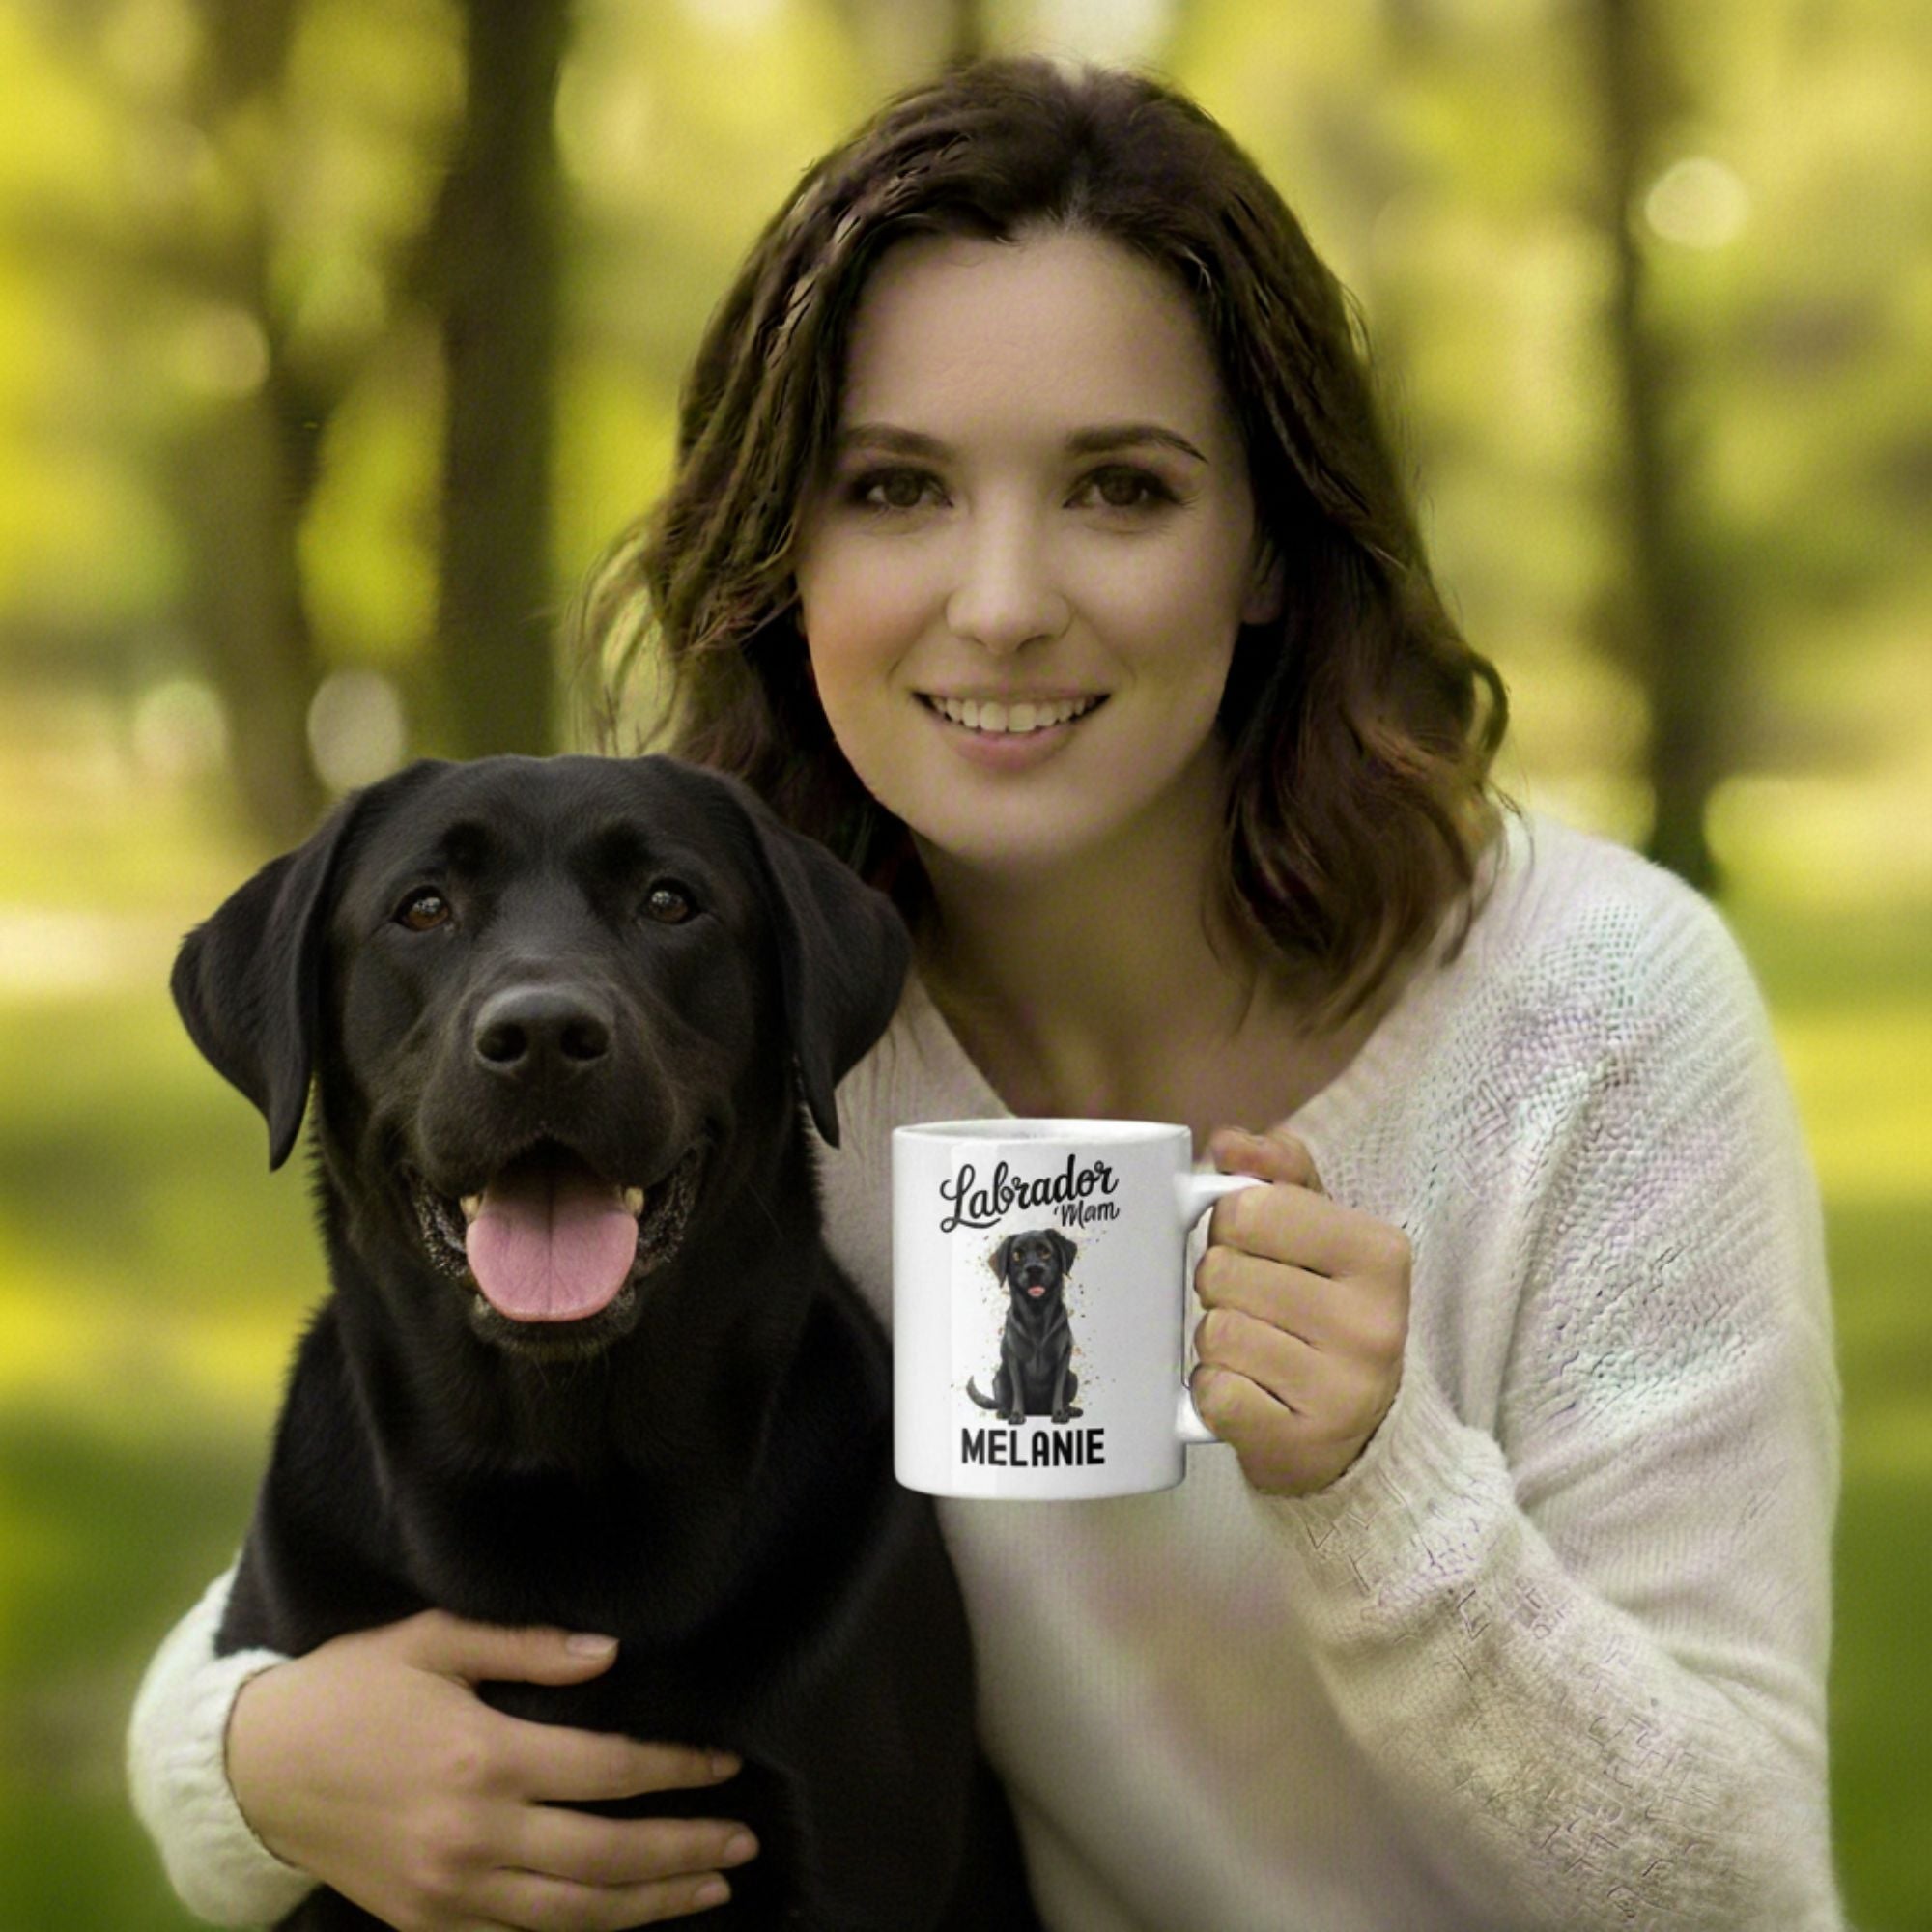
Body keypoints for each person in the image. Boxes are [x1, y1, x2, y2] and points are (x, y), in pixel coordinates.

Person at [128, 54, 1842, 1932]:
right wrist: (246, 1767)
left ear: (1266, 545)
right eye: (895, 490)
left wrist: (1377, 1489)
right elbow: (316, 1573)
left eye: (1120, 487)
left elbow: (1740, 1885)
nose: (1004, 599)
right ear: (787, 553)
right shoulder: (739, 1020)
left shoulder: (1584, 1016)